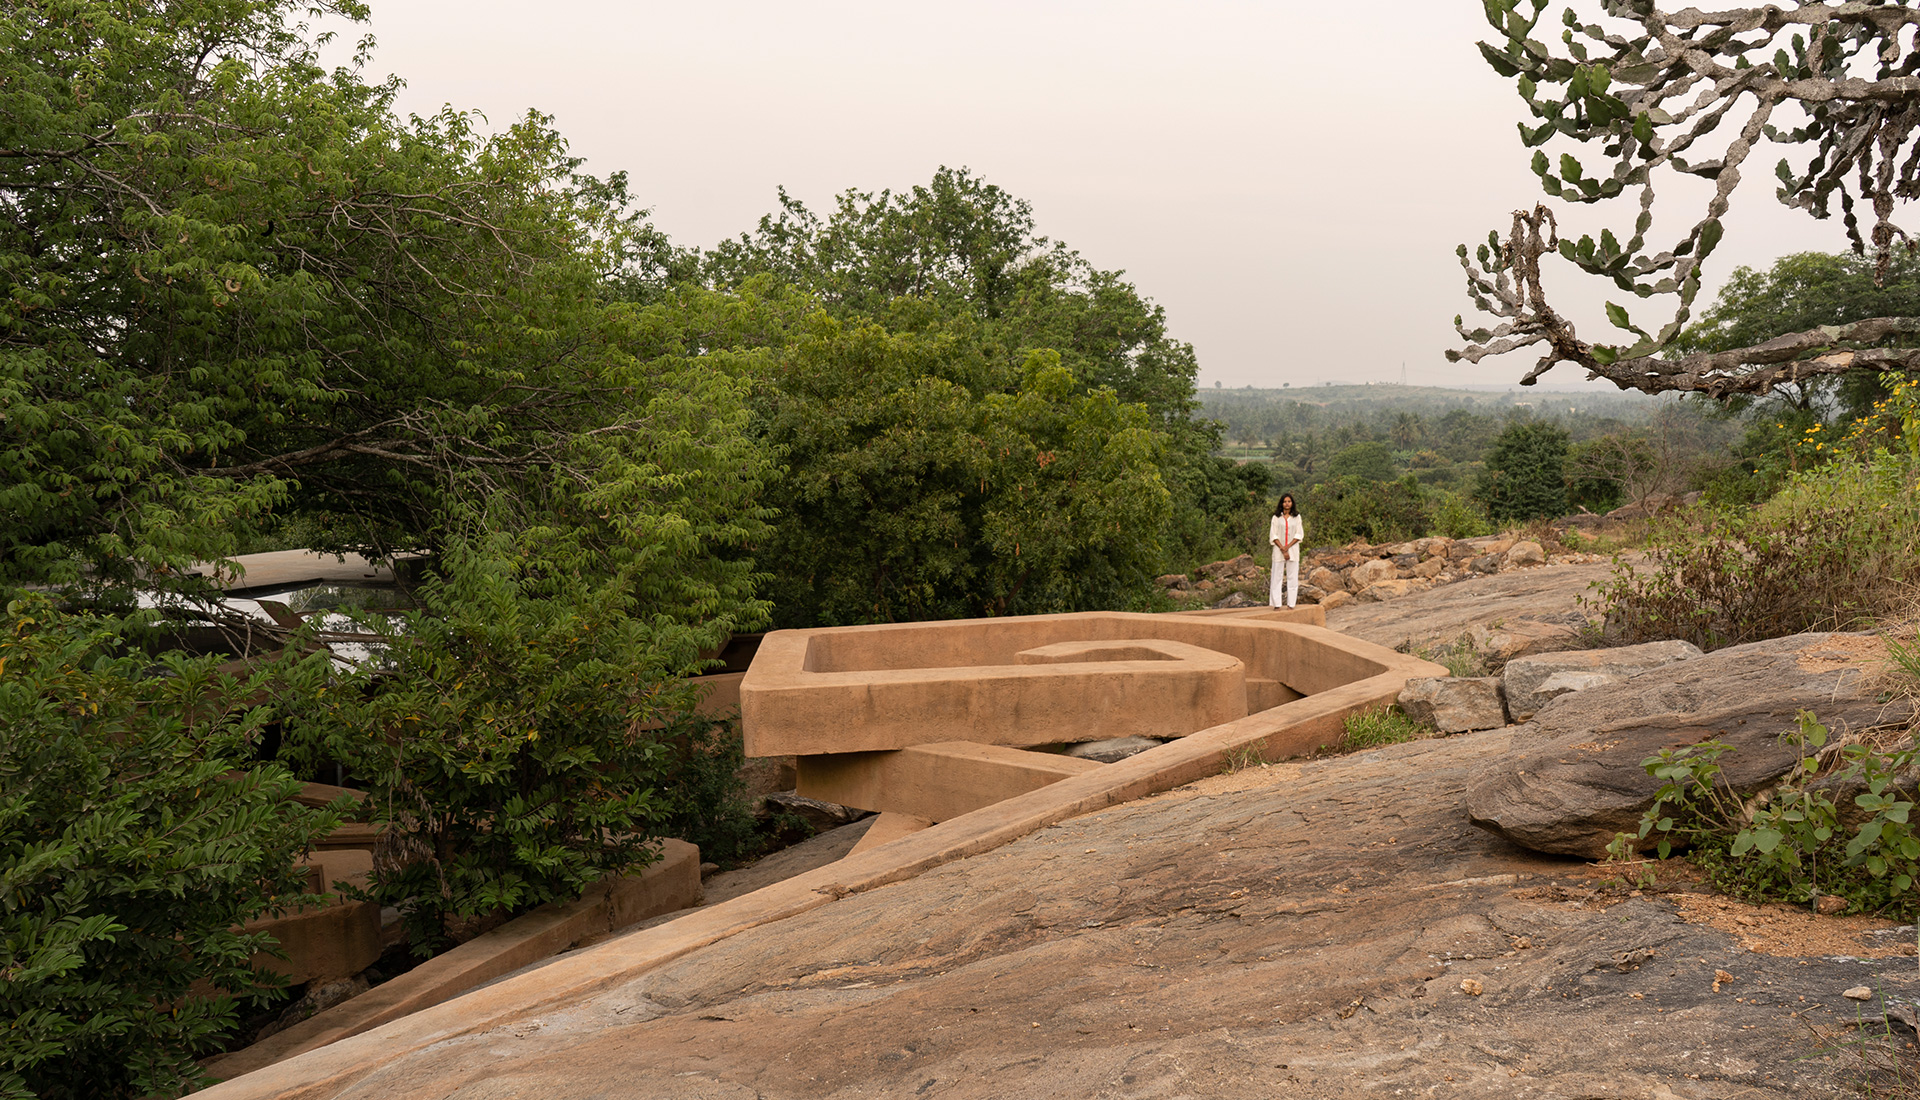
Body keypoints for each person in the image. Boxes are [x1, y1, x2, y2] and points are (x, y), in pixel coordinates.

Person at [1269, 494, 1304, 608]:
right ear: (1281, 503)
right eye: (1285, 501)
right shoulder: (1276, 517)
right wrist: (1282, 548)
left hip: (1293, 549)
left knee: (1292, 577)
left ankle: (1291, 604)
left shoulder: (1297, 517)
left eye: (1289, 501)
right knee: (1276, 576)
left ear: (1292, 503)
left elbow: (1299, 534)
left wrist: (1287, 547)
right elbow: (1273, 534)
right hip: (1278, 549)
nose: (1287, 503)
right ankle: (1277, 604)